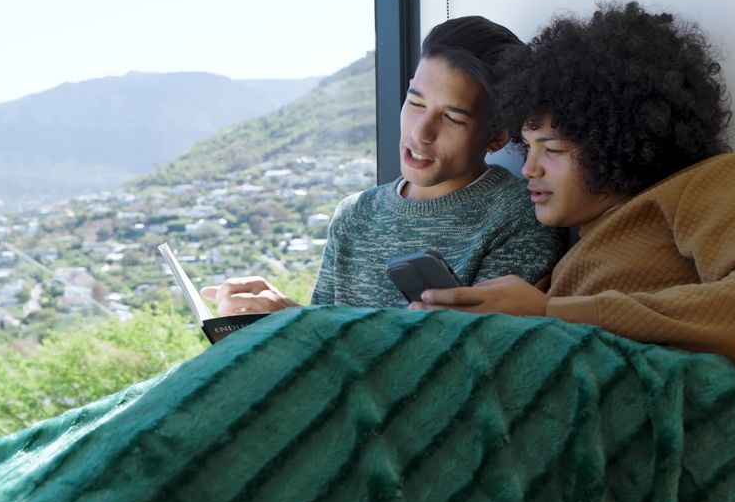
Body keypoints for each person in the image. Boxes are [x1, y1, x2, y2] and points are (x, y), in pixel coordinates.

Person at [412, 1, 735, 376]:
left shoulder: (717, 182)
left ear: (621, 143)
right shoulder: (570, 256)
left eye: (554, 148)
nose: (528, 168)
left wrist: (548, 315)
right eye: (528, 146)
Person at [201, 16, 568, 315]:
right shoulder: (355, 214)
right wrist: (273, 321)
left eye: (452, 119)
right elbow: (316, 353)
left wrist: (293, 317)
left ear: (497, 137)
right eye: (416, 103)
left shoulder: (521, 214)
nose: (421, 133)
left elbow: (457, 362)